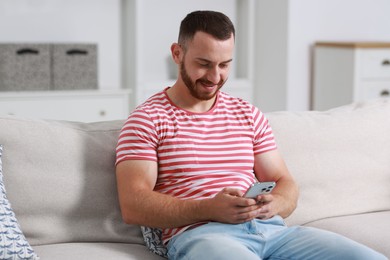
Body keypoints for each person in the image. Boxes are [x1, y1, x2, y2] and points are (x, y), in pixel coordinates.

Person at [116, 10, 387, 260]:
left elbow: (285, 182)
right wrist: (208, 208)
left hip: (273, 232)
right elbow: (133, 205)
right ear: (177, 53)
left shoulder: (248, 114)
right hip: (203, 235)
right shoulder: (147, 119)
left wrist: (276, 202)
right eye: (204, 64)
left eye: (224, 65)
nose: (215, 76)